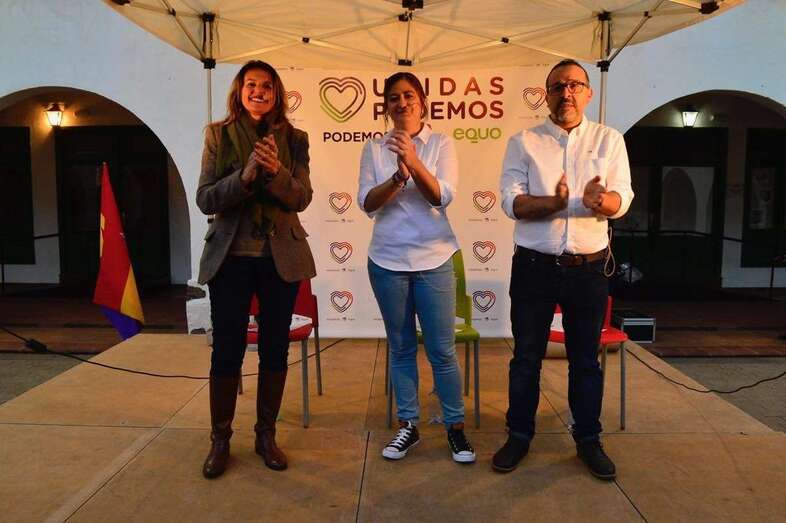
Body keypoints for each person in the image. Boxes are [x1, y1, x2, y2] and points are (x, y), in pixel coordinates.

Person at [493, 59, 634, 479]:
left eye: (575, 85)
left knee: (585, 361)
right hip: (534, 267)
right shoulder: (524, 141)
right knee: (526, 359)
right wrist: (553, 203)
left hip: (589, 270)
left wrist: (601, 203)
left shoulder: (609, 141)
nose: (566, 92)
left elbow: (622, 198)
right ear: (546, 94)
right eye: (558, 86)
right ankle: (518, 435)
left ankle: (588, 440)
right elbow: (510, 202)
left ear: (588, 93)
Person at [196, 60, 315, 478]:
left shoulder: (296, 139)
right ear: (240, 91)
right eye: (252, 85)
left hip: (279, 259)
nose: (259, 91)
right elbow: (206, 199)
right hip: (230, 259)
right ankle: (220, 440)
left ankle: (266, 435)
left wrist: (275, 171)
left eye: (267, 86)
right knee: (227, 350)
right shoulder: (218, 134)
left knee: (274, 350)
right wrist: (245, 176)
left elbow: (301, 198)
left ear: (277, 93)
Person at [358, 72, 475, 464]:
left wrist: (412, 160)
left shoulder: (441, 142)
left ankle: (455, 429)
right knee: (402, 348)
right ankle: (408, 426)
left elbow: (441, 197)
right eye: (393, 97)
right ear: (386, 106)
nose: (401, 102)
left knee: (442, 351)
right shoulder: (373, 148)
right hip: (386, 261)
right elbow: (367, 203)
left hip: (435, 259)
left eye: (409, 95)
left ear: (422, 102)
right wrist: (396, 176)